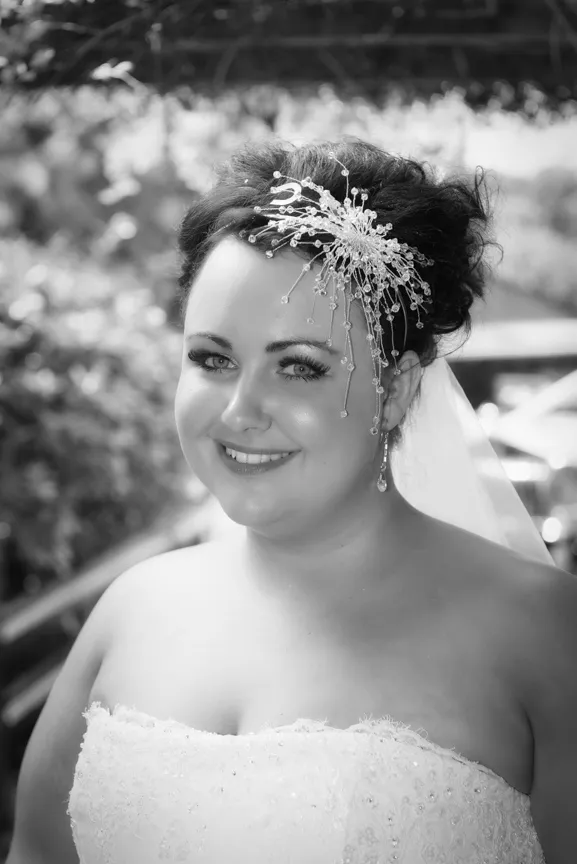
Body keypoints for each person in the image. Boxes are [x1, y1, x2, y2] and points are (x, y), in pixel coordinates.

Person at [7, 140, 577, 864]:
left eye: (299, 367)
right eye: (212, 359)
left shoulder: (545, 635)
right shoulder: (128, 612)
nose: (240, 411)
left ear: (396, 389)